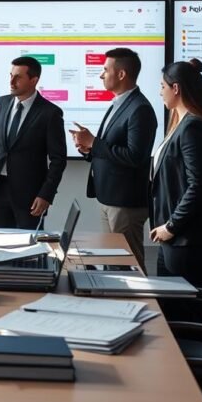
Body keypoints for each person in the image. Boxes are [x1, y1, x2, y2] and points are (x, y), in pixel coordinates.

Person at [150, 59, 202, 323]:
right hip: (176, 235)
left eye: (162, 86)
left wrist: (171, 226)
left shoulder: (192, 127)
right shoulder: (182, 124)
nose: (160, 92)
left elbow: (198, 185)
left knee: (186, 310)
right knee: (172, 306)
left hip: (187, 236)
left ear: (176, 88)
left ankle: (197, 360)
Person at [70, 47, 157, 267]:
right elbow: (111, 148)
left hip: (125, 202)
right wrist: (89, 148)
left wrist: (94, 142)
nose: (101, 75)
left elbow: (135, 156)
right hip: (109, 198)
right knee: (112, 260)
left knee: (129, 263)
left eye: (105, 69)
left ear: (121, 74)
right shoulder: (120, 103)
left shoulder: (140, 109)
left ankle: (139, 301)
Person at [0, 56, 67, 229]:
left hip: (31, 195)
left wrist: (46, 195)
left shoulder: (50, 113)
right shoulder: (2, 102)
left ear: (34, 80)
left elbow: (58, 160)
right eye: (10, 75)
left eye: (18, 77)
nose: (11, 81)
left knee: (29, 250)